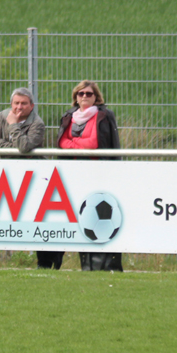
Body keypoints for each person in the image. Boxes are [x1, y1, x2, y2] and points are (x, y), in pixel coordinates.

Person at [0, 87, 61, 269]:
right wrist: (16, 150)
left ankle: (48, 260)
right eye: (16, 103)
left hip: (35, 176)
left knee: (41, 218)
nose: (19, 107)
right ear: (11, 104)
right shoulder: (2, 115)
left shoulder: (37, 123)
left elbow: (25, 146)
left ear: (31, 106)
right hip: (11, 174)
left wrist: (13, 126)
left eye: (24, 103)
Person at [56, 80, 123, 272]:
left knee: (100, 216)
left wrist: (74, 143)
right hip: (74, 174)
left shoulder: (103, 115)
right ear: (75, 97)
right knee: (79, 217)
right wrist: (79, 144)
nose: (84, 97)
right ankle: (84, 264)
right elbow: (62, 142)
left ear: (96, 97)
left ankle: (105, 265)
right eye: (81, 94)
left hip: (98, 173)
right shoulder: (69, 116)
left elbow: (94, 143)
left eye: (89, 94)